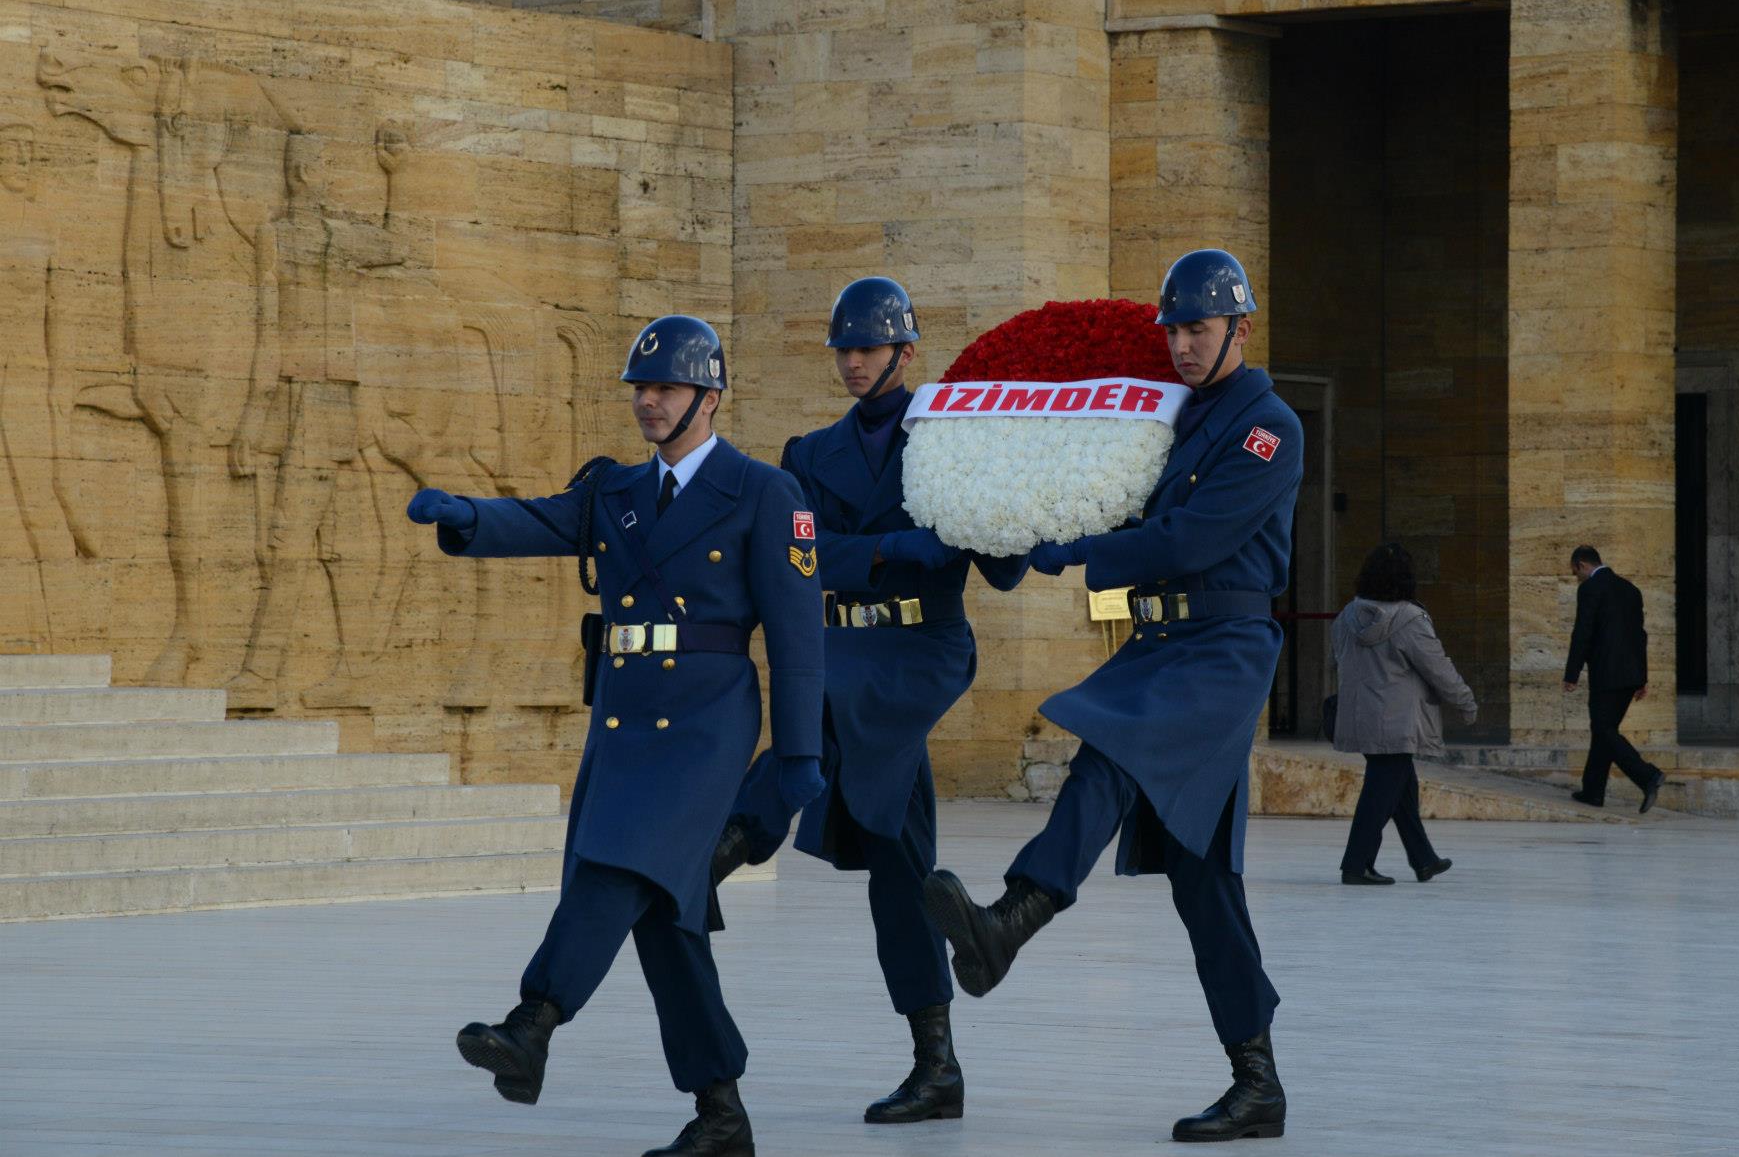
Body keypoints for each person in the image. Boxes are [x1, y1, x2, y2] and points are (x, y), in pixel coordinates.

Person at [407, 315, 825, 1157]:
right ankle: (721, 1116)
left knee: (619, 862)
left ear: (708, 397)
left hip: (706, 723)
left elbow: (797, 638)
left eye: (664, 388)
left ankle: (535, 1022)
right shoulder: (618, 494)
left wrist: (797, 760)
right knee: (663, 914)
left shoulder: (763, 493)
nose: (646, 401)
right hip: (627, 717)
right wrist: (467, 518)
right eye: (639, 387)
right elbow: (547, 520)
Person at [920, 248, 1302, 1144]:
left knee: (1112, 743)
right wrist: (1018, 514)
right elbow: (1122, 499)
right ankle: (1259, 1082)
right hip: (1162, 639)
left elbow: (1192, 535)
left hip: (1221, 646)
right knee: (1206, 882)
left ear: (1239, 329)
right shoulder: (1170, 416)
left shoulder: (1269, 427)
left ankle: (1014, 917)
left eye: (1197, 329)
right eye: (1171, 328)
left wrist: (1077, 551)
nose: (1178, 344)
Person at [709, 277, 1028, 1124]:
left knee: (813, 739)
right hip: (844, 644)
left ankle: (725, 845)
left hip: (921, 650)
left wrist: (1006, 494)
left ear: (905, 351)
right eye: (843, 350)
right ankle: (938, 1066)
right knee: (899, 856)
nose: (853, 362)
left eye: (868, 348)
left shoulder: (956, 437)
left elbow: (1004, 565)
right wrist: (896, 543)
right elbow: (800, 557)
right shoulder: (809, 454)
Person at [1329, 542, 1476, 885]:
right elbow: (1437, 667)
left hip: (1361, 717)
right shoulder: (1409, 618)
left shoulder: (1347, 617)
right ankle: (1355, 864)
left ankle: (1423, 859)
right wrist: (1466, 701)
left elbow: (1338, 659)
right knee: (1380, 794)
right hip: (1397, 721)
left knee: (1401, 787)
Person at [1563, 544, 1664, 813]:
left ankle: (1647, 775)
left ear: (1583, 565)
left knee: (1605, 731)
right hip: (1630, 675)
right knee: (1603, 730)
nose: (1576, 578)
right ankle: (1593, 791)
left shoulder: (1590, 589)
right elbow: (1640, 637)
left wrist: (1571, 674)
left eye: (1575, 572)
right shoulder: (1630, 589)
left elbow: (1582, 633)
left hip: (1607, 675)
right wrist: (1642, 678)